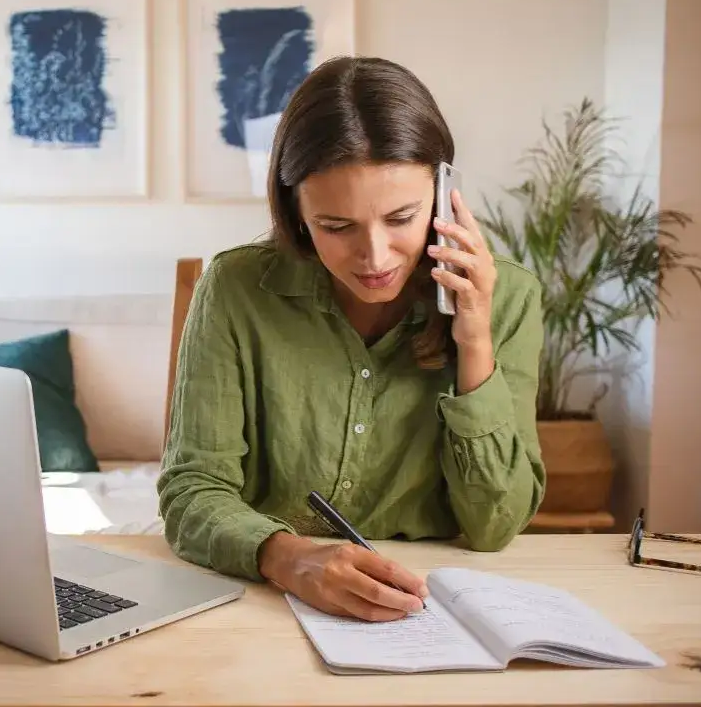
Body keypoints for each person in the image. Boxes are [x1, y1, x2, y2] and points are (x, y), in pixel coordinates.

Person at [156, 55, 546, 623]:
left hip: (437, 613)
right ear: (296, 211)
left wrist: (476, 342)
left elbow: (495, 525)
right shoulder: (237, 288)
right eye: (336, 227)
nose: (375, 257)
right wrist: (289, 558)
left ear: (443, 195)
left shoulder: (508, 297)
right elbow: (192, 491)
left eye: (401, 217)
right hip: (267, 606)